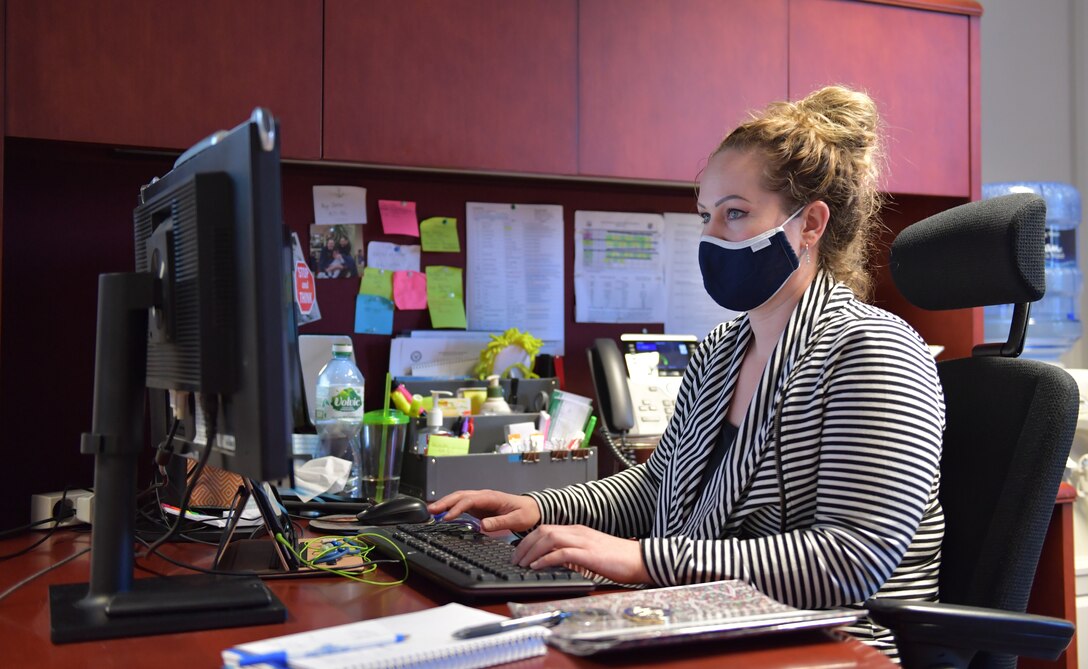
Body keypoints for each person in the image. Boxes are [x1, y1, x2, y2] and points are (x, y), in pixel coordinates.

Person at [429, 85, 945, 658]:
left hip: (832, 647)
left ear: (811, 224)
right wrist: (541, 508)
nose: (710, 237)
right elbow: (658, 487)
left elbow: (848, 561)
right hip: (706, 621)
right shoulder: (720, 351)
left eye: (736, 214)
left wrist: (640, 559)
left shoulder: (874, 350)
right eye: (705, 216)